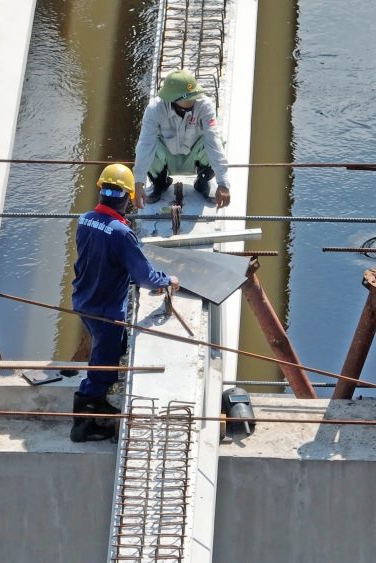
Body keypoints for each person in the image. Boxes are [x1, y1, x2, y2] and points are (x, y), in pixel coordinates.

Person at [70, 163, 180, 442]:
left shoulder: (84, 220)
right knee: (103, 364)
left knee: (112, 347)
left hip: (84, 300)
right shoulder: (120, 233)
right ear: (128, 197)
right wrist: (166, 281)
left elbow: (99, 258)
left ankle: (99, 400)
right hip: (105, 310)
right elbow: (145, 277)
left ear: (102, 192)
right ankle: (84, 423)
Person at [133, 69, 231, 209]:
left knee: (218, 141)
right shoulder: (154, 109)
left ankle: (203, 182)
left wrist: (223, 183)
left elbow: (213, 142)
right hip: (167, 155)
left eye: (195, 94)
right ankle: (160, 184)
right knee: (148, 147)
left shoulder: (204, 106)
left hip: (194, 154)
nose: (194, 99)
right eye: (189, 97)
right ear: (173, 98)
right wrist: (139, 183)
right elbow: (145, 144)